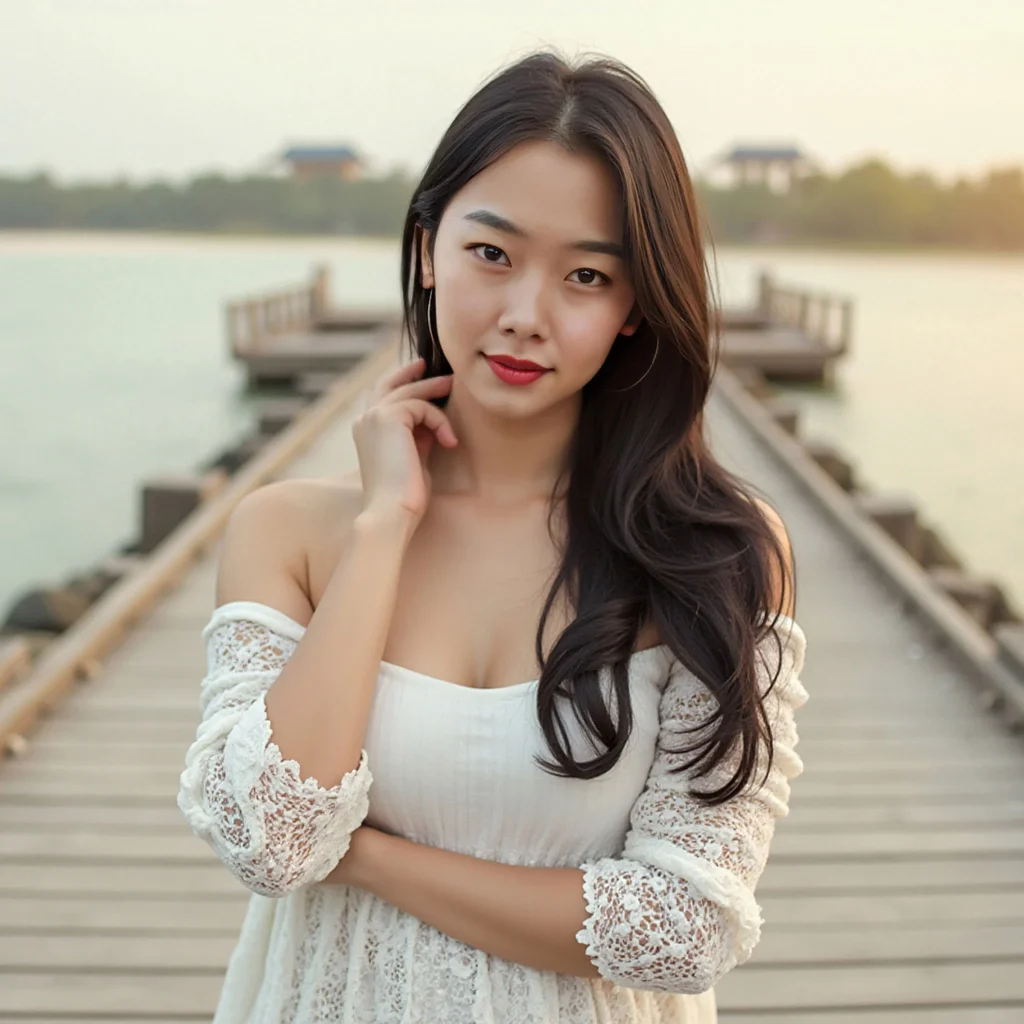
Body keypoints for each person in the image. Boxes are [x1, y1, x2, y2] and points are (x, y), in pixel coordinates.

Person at [177, 48, 808, 1024]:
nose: (524, 316)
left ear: (636, 305)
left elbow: (686, 928)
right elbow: (271, 842)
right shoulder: (291, 531)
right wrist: (382, 525)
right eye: (491, 253)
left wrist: (368, 855)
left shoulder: (718, 555)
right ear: (428, 247)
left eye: (587, 275)